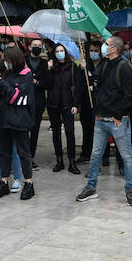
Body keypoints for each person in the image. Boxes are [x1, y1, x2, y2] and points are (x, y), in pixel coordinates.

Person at [77, 35, 132, 205]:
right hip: (100, 120)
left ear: (114, 49)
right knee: (95, 154)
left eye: (107, 44)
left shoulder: (123, 67)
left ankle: (129, 190)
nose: (104, 47)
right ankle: (91, 187)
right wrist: (97, 111)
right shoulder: (104, 65)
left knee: (126, 156)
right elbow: (98, 89)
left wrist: (118, 114)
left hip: (116, 121)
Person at [0, 46, 37, 200]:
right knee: (4, 151)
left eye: (9, 61)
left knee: (23, 152)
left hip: (19, 120)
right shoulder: (8, 73)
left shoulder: (27, 75)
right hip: (3, 118)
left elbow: (16, 98)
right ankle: (3, 182)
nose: (7, 64)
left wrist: (2, 84)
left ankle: (28, 183)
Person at [45, 42, 84, 174]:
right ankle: (59, 160)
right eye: (57, 51)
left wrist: (75, 104)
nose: (59, 53)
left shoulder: (73, 67)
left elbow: (78, 87)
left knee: (70, 133)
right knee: (56, 133)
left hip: (68, 105)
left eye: (61, 50)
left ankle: (72, 162)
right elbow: (47, 85)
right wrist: (49, 70)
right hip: (53, 105)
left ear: (65, 52)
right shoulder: (52, 68)